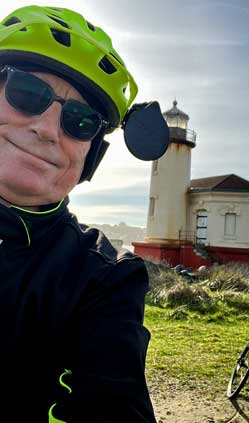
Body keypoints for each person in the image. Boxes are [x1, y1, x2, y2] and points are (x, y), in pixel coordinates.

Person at [0, 5, 169, 423]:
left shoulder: (105, 279)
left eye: (80, 122)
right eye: (27, 93)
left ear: (90, 157)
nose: (47, 127)